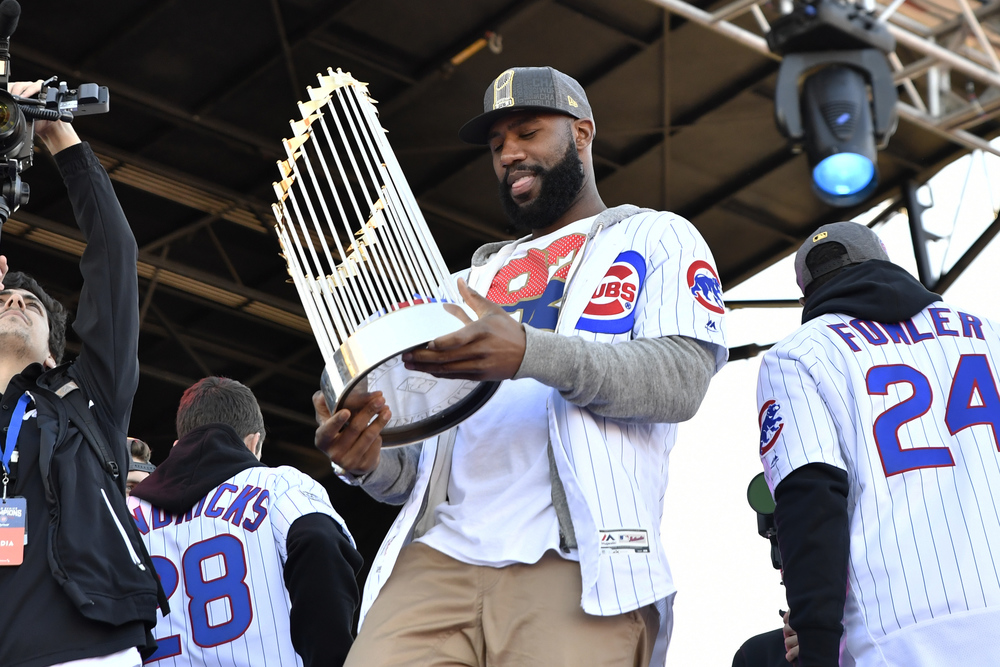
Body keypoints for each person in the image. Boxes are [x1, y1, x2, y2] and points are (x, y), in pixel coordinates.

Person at [313, 66, 728, 666]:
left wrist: (531, 353)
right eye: (497, 145)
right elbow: (414, 472)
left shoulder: (657, 236)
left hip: (578, 563)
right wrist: (369, 461)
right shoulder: (455, 286)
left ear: (581, 133)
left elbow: (680, 382)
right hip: (437, 561)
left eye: (529, 132)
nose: (510, 154)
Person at [757, 221, 1000, 666]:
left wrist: (815, 648)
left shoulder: (800, 353)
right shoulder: (988, 332)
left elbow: (811, 504)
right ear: (887, 265)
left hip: (900, 636)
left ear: (805, 297)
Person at [0, 80, 163, 666]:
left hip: (89, 648)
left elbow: (114, 254)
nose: (16, 301)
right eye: (3, 298)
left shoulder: (86, 395)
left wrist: (56, 134)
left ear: (53, 352)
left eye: (32, 304)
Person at [129, 376, 363, 667]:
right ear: (255, 443)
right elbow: (320, 541)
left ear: (178, 445)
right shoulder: (279, 486)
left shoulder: (124, 514)